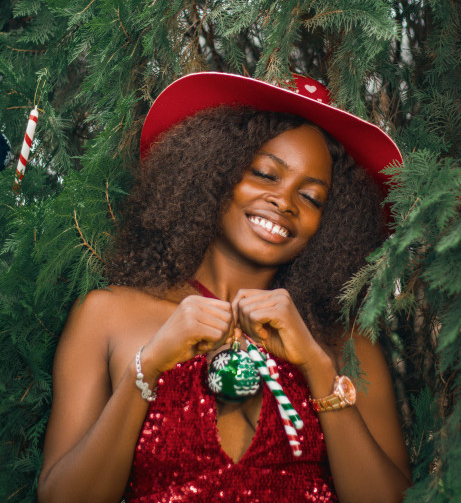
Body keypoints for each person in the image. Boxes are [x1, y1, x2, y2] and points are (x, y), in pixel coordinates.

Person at [38, 72, 411, 503]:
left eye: (311, 198)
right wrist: (149, 366)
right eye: (266, 174)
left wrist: (317, 368)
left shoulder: (346, 346)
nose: (285, 202)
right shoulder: (106, 315)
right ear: (213, 171)